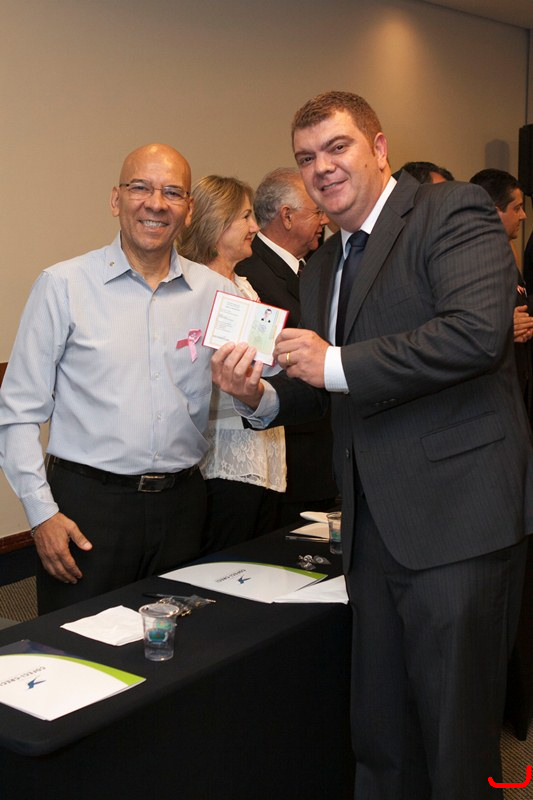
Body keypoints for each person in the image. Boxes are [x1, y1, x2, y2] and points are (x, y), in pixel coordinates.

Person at [212, 91, 533, 799]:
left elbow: (476, 334)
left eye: (337, 147)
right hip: (369, 531)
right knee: (382, 736)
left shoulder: (449, 212)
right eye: (306, 158)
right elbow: (320, 384)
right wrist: (257, 397)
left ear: (379, 148)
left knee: (454, 742)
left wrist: (331, 363)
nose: (322, 167)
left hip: (457, 525)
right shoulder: (324, 264)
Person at [0, 143, 236, 614]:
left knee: (181, 645)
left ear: (188, 210)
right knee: (79, 646)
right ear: (116, 199)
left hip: (183, 507)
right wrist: (42, 514)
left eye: (172, 192)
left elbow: (257, 389)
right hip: (89, 510)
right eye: (140, 188)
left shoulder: (218, 293)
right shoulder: (63, 286)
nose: (156, 203)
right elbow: (17, 412)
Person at [179, 176, 286, 552]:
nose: (255, 226)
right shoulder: (192, 289)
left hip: (260, 447)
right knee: (228, 562)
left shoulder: (244, 285)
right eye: (245, 216)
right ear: (216, 222)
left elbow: (264, 364)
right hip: (223, 456)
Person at [236, 167, 337, 525]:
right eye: (317, 211)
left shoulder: (315, 266)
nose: (324, 220)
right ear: (287, 216)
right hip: (292, 458)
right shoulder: (249, 274)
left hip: (321, 452)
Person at [470, 168, 533, 414]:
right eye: (517, 208)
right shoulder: (468, 260)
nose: (524, 215)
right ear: (494, 211)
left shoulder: (507, 250)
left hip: (517, 383)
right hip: (489, 398)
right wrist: (504, 327)